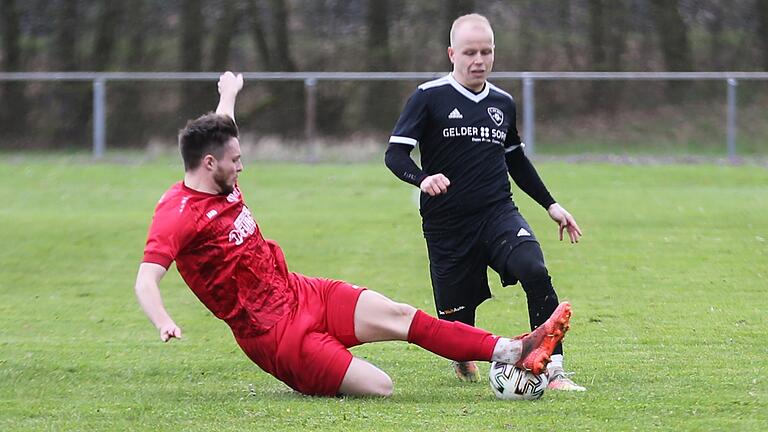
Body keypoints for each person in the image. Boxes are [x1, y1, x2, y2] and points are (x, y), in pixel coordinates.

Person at [134, 71, 573, 397]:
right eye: (236, 160)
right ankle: (314, 366)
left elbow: (222, 127)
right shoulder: (178, 214)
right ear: (209, 164)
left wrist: (228, 94)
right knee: (380, 387)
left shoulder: (216, 170)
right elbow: (146, 279)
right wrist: (164, 321)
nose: (242, 166)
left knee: (402, 315)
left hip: (301, 291)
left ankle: (517, 350)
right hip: (274, 336)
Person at [385, 14, 585, 391]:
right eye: (470, 52)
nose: (479, 60)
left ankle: (553, 369)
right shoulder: (428, 98)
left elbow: (516, 160)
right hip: (447, 225)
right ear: (451, 53)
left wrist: (551, 205)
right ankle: (463, 357)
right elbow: (394, 155)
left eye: (486, 52)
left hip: (497, 214)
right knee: (456, 325)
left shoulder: (502, 103)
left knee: (535, 270)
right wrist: (422, 178)